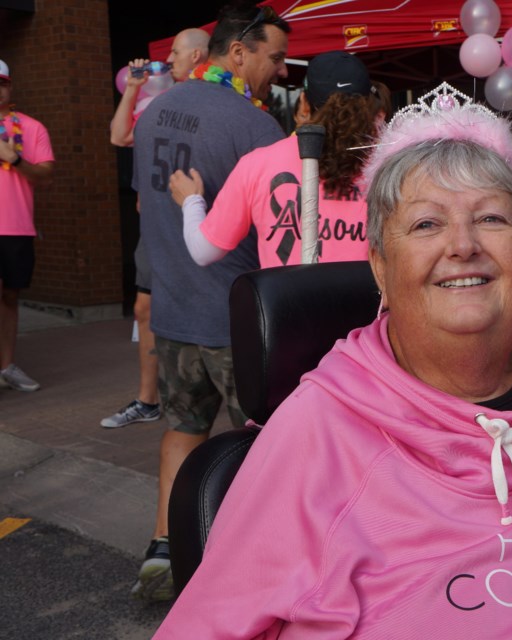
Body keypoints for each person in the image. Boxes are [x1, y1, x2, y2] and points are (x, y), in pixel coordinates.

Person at [153, 83, 512, 638]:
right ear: (379, 265)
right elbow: (210, 623)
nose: (463, 245)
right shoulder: (318, 430)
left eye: (492, 219)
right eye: (427, 224)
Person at [130, 0, 290, 602]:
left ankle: (164, 550)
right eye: (273, 57)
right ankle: (250, 568)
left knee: (181, 428)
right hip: (235, 317)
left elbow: (146, 207)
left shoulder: (153, 111)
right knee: (259, 444)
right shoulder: (254, 126)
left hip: (172, 312)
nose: (278, 69)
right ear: (238, 50)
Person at [168, 50, 381, 268]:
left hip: (289, 301)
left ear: (304, 103)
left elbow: (203, 251)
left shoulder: (258, 164)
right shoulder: (389, 164)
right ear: (370, 104)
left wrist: (191, 200)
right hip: (370, 301)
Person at [102, 29, 210, 430]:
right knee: (144, 307)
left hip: (200, 215)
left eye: (175, 51)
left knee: (207, 303)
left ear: (197, 55)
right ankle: (148, 400)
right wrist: (132, 88)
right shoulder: (158, 101)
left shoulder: (215, 98)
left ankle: (218, 399)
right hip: (157, 223)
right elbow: (118, 136)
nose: (168, 58)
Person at [0, 59, 55, 394]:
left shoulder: (32, 128)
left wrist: (15, 159)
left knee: (9, 296)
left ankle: (7, 365)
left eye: (2, 82)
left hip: (16, 226)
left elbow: (46, 175)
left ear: (10, 86)